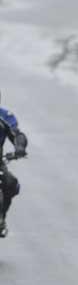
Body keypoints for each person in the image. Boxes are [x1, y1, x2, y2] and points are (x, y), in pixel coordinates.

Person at [0, 98, 28, 237]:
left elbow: (17, 134)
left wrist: (19, 147)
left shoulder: (4, 116)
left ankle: (1, 217)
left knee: (11, 183)